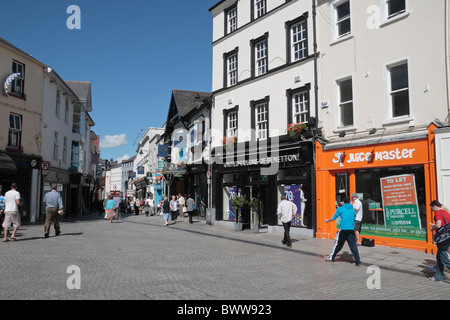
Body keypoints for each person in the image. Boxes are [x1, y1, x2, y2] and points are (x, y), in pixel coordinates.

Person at [324, 196, 361, 266]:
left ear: (343, 202)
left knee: (337, 244)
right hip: (351, 230)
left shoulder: (340, 209)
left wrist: (327, 220)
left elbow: (334, 218)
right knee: (353, 246)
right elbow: (354, 217)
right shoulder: (353, 210)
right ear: (350, 202)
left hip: (343, 230)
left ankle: (331, 257)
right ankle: (358, 261)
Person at [429, 200, 450, 282]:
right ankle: (438, 276)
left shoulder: (438, 212)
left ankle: (438, 276)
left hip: (442, 239)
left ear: (434, 206)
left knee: (444, 258)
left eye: (432, 208)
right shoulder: (446, 213)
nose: (432, 210)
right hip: (448, 237)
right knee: (439, 257)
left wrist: (432, 228)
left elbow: (438, 225)